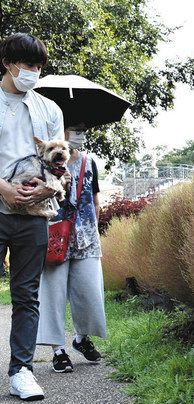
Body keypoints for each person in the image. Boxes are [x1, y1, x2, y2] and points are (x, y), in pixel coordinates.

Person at [0, 33, 64, 401]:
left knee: (26, 295)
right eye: (28, 65)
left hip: (34, 215)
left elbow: (61, 162)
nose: (34, 72)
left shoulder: (49, 109)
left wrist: (49, 188)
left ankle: (21, 370)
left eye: (39, 66)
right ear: (8, 63)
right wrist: (4, 188)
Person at [36, 123, 107, 374]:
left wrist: (95, 229)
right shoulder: (41, 164)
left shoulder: (89, 162)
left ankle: (81, 338)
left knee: (89, 292)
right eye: (75, 128)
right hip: (54, 236)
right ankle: (58, 350)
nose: (80, 133)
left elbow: (95, 198)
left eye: (82, 128)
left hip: (86, 237)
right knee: (53, 295)